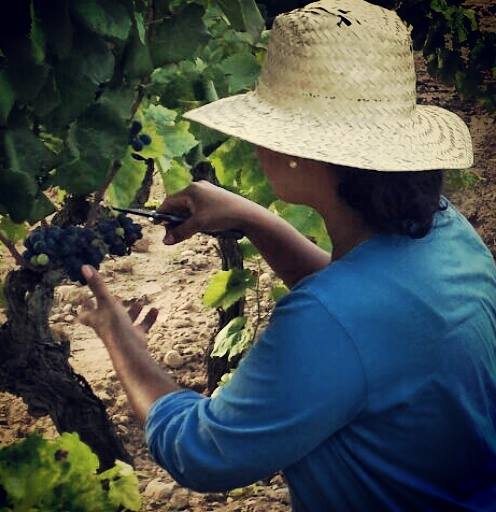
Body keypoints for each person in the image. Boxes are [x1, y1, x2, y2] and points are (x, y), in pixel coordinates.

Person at [78, 0, 496, 510]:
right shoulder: (446, 231)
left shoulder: (325, 319)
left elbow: (201, 453)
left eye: (267, 130)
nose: (256, 145)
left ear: (300, 153)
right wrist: (256, 219)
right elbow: (366, 317)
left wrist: (120, 339)